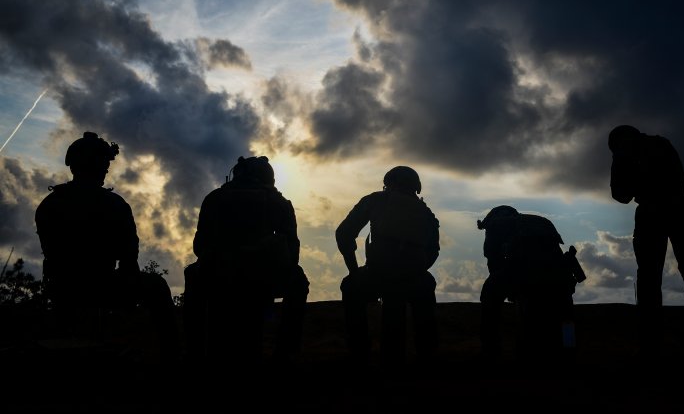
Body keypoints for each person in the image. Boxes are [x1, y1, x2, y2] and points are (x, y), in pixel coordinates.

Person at [35, 131, 179, 362]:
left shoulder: (50, 203)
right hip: (99, 286)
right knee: (157, 286)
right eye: (103, 163)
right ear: (95, 164)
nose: (106, 168)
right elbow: (129, 261)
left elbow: (50, 251)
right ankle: (172, 358)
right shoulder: (114, 204)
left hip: (61, 288)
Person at [183, 156, 309, 366]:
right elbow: (292, 254)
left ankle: (195, 354)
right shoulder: (279, 201)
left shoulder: (214, 198)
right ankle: (285, 354)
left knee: (192, 274)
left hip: (220, 276)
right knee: (298, 281)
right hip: (265, 277)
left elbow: (199, 246)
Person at [608, 125, 684, 361]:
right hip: (659, 214)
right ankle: (652, 349)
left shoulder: (657, 146)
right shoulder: (631, 154)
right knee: (652, 282)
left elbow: (632, 190)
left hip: (674, 212)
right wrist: (621, 162)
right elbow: (620, 194)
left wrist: (629, 170)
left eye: (619, 146)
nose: (620, 149)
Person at [336, 166, 440, 368]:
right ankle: (427, 356)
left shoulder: (374, 200)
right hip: (415, 277)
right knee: (427, 287)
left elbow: (344, 233)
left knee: (350, 287)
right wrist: (417, 269)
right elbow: (433, 250)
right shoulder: (426, 212)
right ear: (416, 188)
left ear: (388, 184)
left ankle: (359, 353)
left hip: (377, 273)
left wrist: (354, 271)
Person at [477, 205, 586, 367]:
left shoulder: (496, 225)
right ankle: (569, 350)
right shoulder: (540, 221)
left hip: (528, 274)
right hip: (559, 278)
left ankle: (491, 350)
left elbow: (493, 263)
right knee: (566, 318)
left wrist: (508, 288)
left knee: (489, 295)